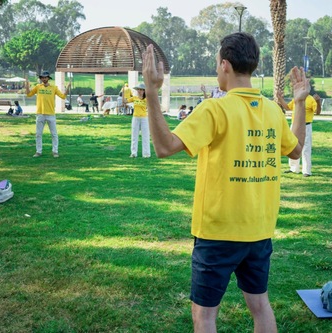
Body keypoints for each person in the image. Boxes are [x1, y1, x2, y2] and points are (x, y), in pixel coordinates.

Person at [142, 33, 309, 332]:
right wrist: (298, 104)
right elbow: (296, 149)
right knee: (260, 306)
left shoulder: (214, 109)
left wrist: (152, 92)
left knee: (204, 316)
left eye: (218, 64)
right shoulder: (272, 110)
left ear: (226, 65)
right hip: (259, 231)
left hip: (218, 232)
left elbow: (164, 147)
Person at [276, 91, 321, 177]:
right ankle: (294, 168)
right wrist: (280, 99)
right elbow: (288, 107)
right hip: (294, 125)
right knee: (292, 146)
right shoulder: (296, 99)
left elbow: (317, 112)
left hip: (305, 125)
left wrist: (318, 101)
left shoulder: (311, 99)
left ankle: (306, 171)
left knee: (305, 148)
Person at [26, 71, 70, 158]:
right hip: (40, 114)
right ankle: (38, 151)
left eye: (45, 77)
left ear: (48, 78)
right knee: (38, 134)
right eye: (42, 77)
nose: (44, 79)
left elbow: (63, 96)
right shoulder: (38, 87)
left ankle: (55, 151)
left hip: (51, 114)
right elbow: (29, 94)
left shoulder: (54, 87)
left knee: (54, 134)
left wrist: (68, 88)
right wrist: (27, 85)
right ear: (41, 78)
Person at [124, 83, 150, 158]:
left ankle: (146, 154)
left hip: (144, 118)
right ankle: (133, 153)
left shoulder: (147, 99)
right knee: (134, 135)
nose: (139, 91)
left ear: (144, 91)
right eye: (138, 89)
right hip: (135, 117)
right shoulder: (134, 98)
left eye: (141, 90)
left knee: (145, 135)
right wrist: (124, 95)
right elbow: (126, 101)